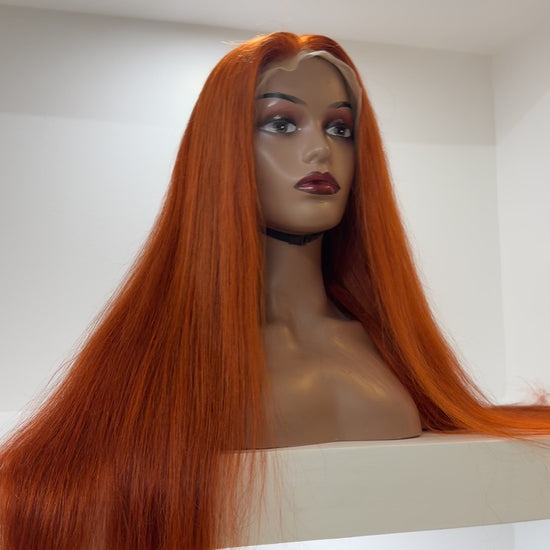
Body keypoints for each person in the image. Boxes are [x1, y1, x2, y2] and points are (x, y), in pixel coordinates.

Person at [1, 31, 549, 550]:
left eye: (340, 128)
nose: (320, 151)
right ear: (223, 149)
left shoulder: (391, 347)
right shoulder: (170, 366)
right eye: (282, 123)